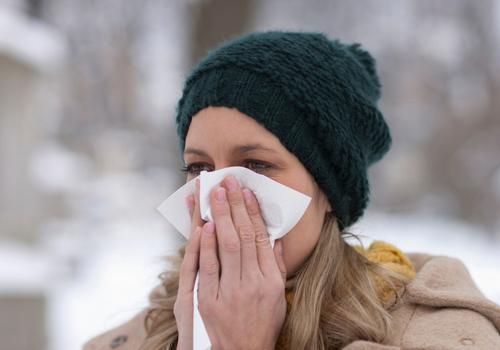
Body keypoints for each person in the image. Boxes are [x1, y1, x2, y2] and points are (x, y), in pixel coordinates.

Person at [83, 30, 500, 350]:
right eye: (199, 167)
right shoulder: (131, 338)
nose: (219, 195)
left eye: (256, 165)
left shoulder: (437, 333)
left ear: (328, 192)